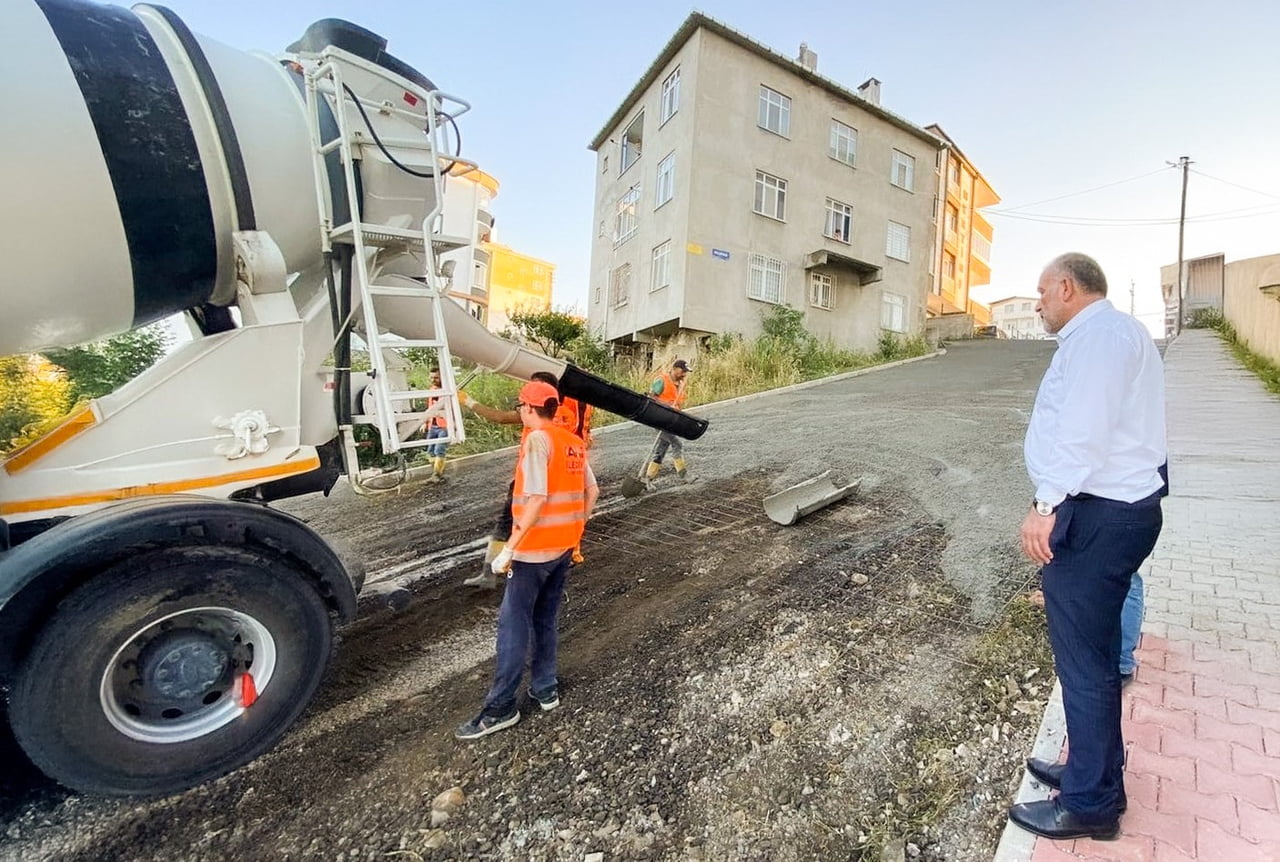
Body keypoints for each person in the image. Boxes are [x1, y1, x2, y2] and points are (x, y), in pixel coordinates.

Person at [1008, 253, 1166, 842]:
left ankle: (1093, 804)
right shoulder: (1118, 332)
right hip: (1118, 511)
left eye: (1042, 293)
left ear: (1067, 287)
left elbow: (1084, 430)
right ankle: (1088, 771)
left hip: (1098, 515)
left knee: (1085, 666)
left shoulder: (1097, 338)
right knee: (1091, 661)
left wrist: (1045, 505)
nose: (1040, 304)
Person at [455, 380, 598, 739]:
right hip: (563, 549)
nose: (519, 411)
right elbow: (592, 490)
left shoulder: (537, 440)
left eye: (520, 405)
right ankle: (545, 687)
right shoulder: (573, 442)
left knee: (514, 624)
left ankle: (501, 708)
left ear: (529, 408)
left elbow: (535, 499)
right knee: (545, 618)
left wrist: (509, 549)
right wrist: (575, 532)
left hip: (534, 552)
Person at [458, 371, 592, 586]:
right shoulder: (567, 412)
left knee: (508, 522)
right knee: (558, 524)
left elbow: (500, 417)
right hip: (564, 478)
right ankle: (565, 554)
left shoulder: (536, 416)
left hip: (531, 480)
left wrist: (468, 401)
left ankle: (491, 573)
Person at [645, 359, 692, 484]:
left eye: (686, 372)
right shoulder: (662, 380)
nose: (684, 374)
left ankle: (648, 479)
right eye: (683, 371)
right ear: (675, 368)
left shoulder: (681, 384)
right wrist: (665, 406)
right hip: (659, 419)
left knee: (662, 447)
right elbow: (651, 398)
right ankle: (684, 475)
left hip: (671, 420)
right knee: (677, 444)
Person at [422, 369, 449, 483]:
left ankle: (437, 474)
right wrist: (424, 422)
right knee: (430, 451)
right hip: (432, 425)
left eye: (436, 378)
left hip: (444, 425)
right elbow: (430, 408)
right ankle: (437, 472)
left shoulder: (447, 390)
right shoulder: (432, 390)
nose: (433, 380)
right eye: (432, 378)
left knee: (439, 450)